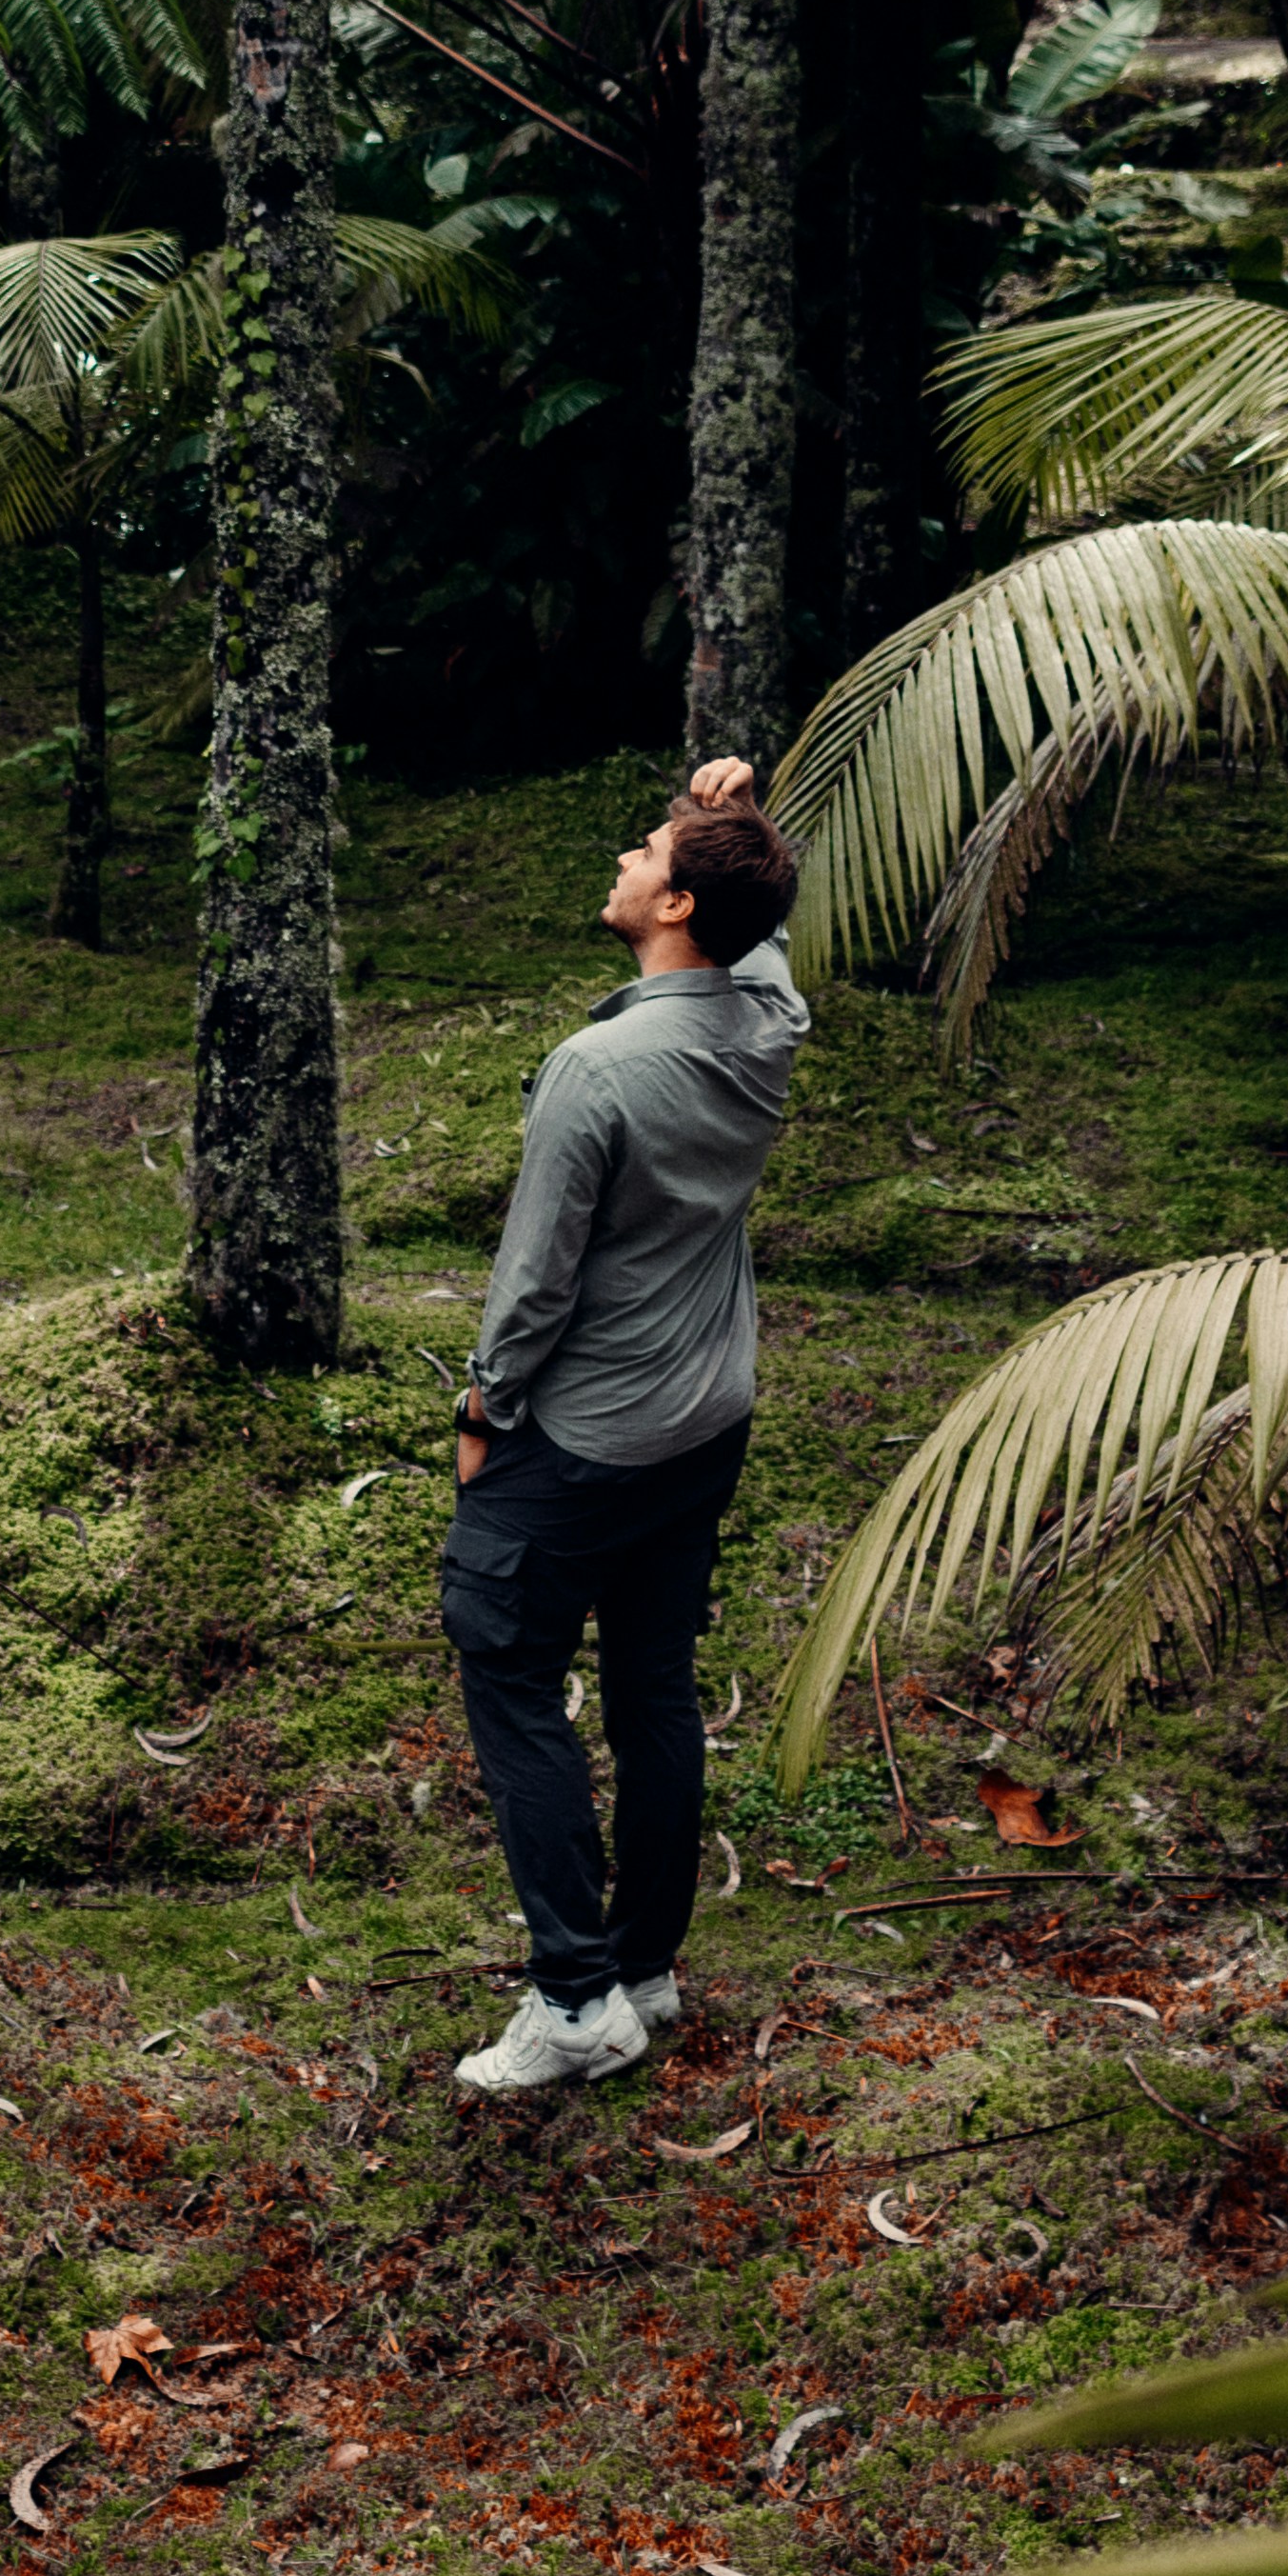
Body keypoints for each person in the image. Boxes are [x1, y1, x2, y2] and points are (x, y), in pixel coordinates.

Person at [440, 754, 808, 2102]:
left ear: (676, 911)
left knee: (511, 1672)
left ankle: (579, 1998)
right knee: (653, 1683)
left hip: (586, 1434)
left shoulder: (596, 1071)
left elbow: (534, 1283)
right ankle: (645, 1965)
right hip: (705, 1419)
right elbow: (766, 932)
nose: (623, 858)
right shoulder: (766, 1018)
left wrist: (485, 1407)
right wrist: (734, 789)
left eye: (647, 850)